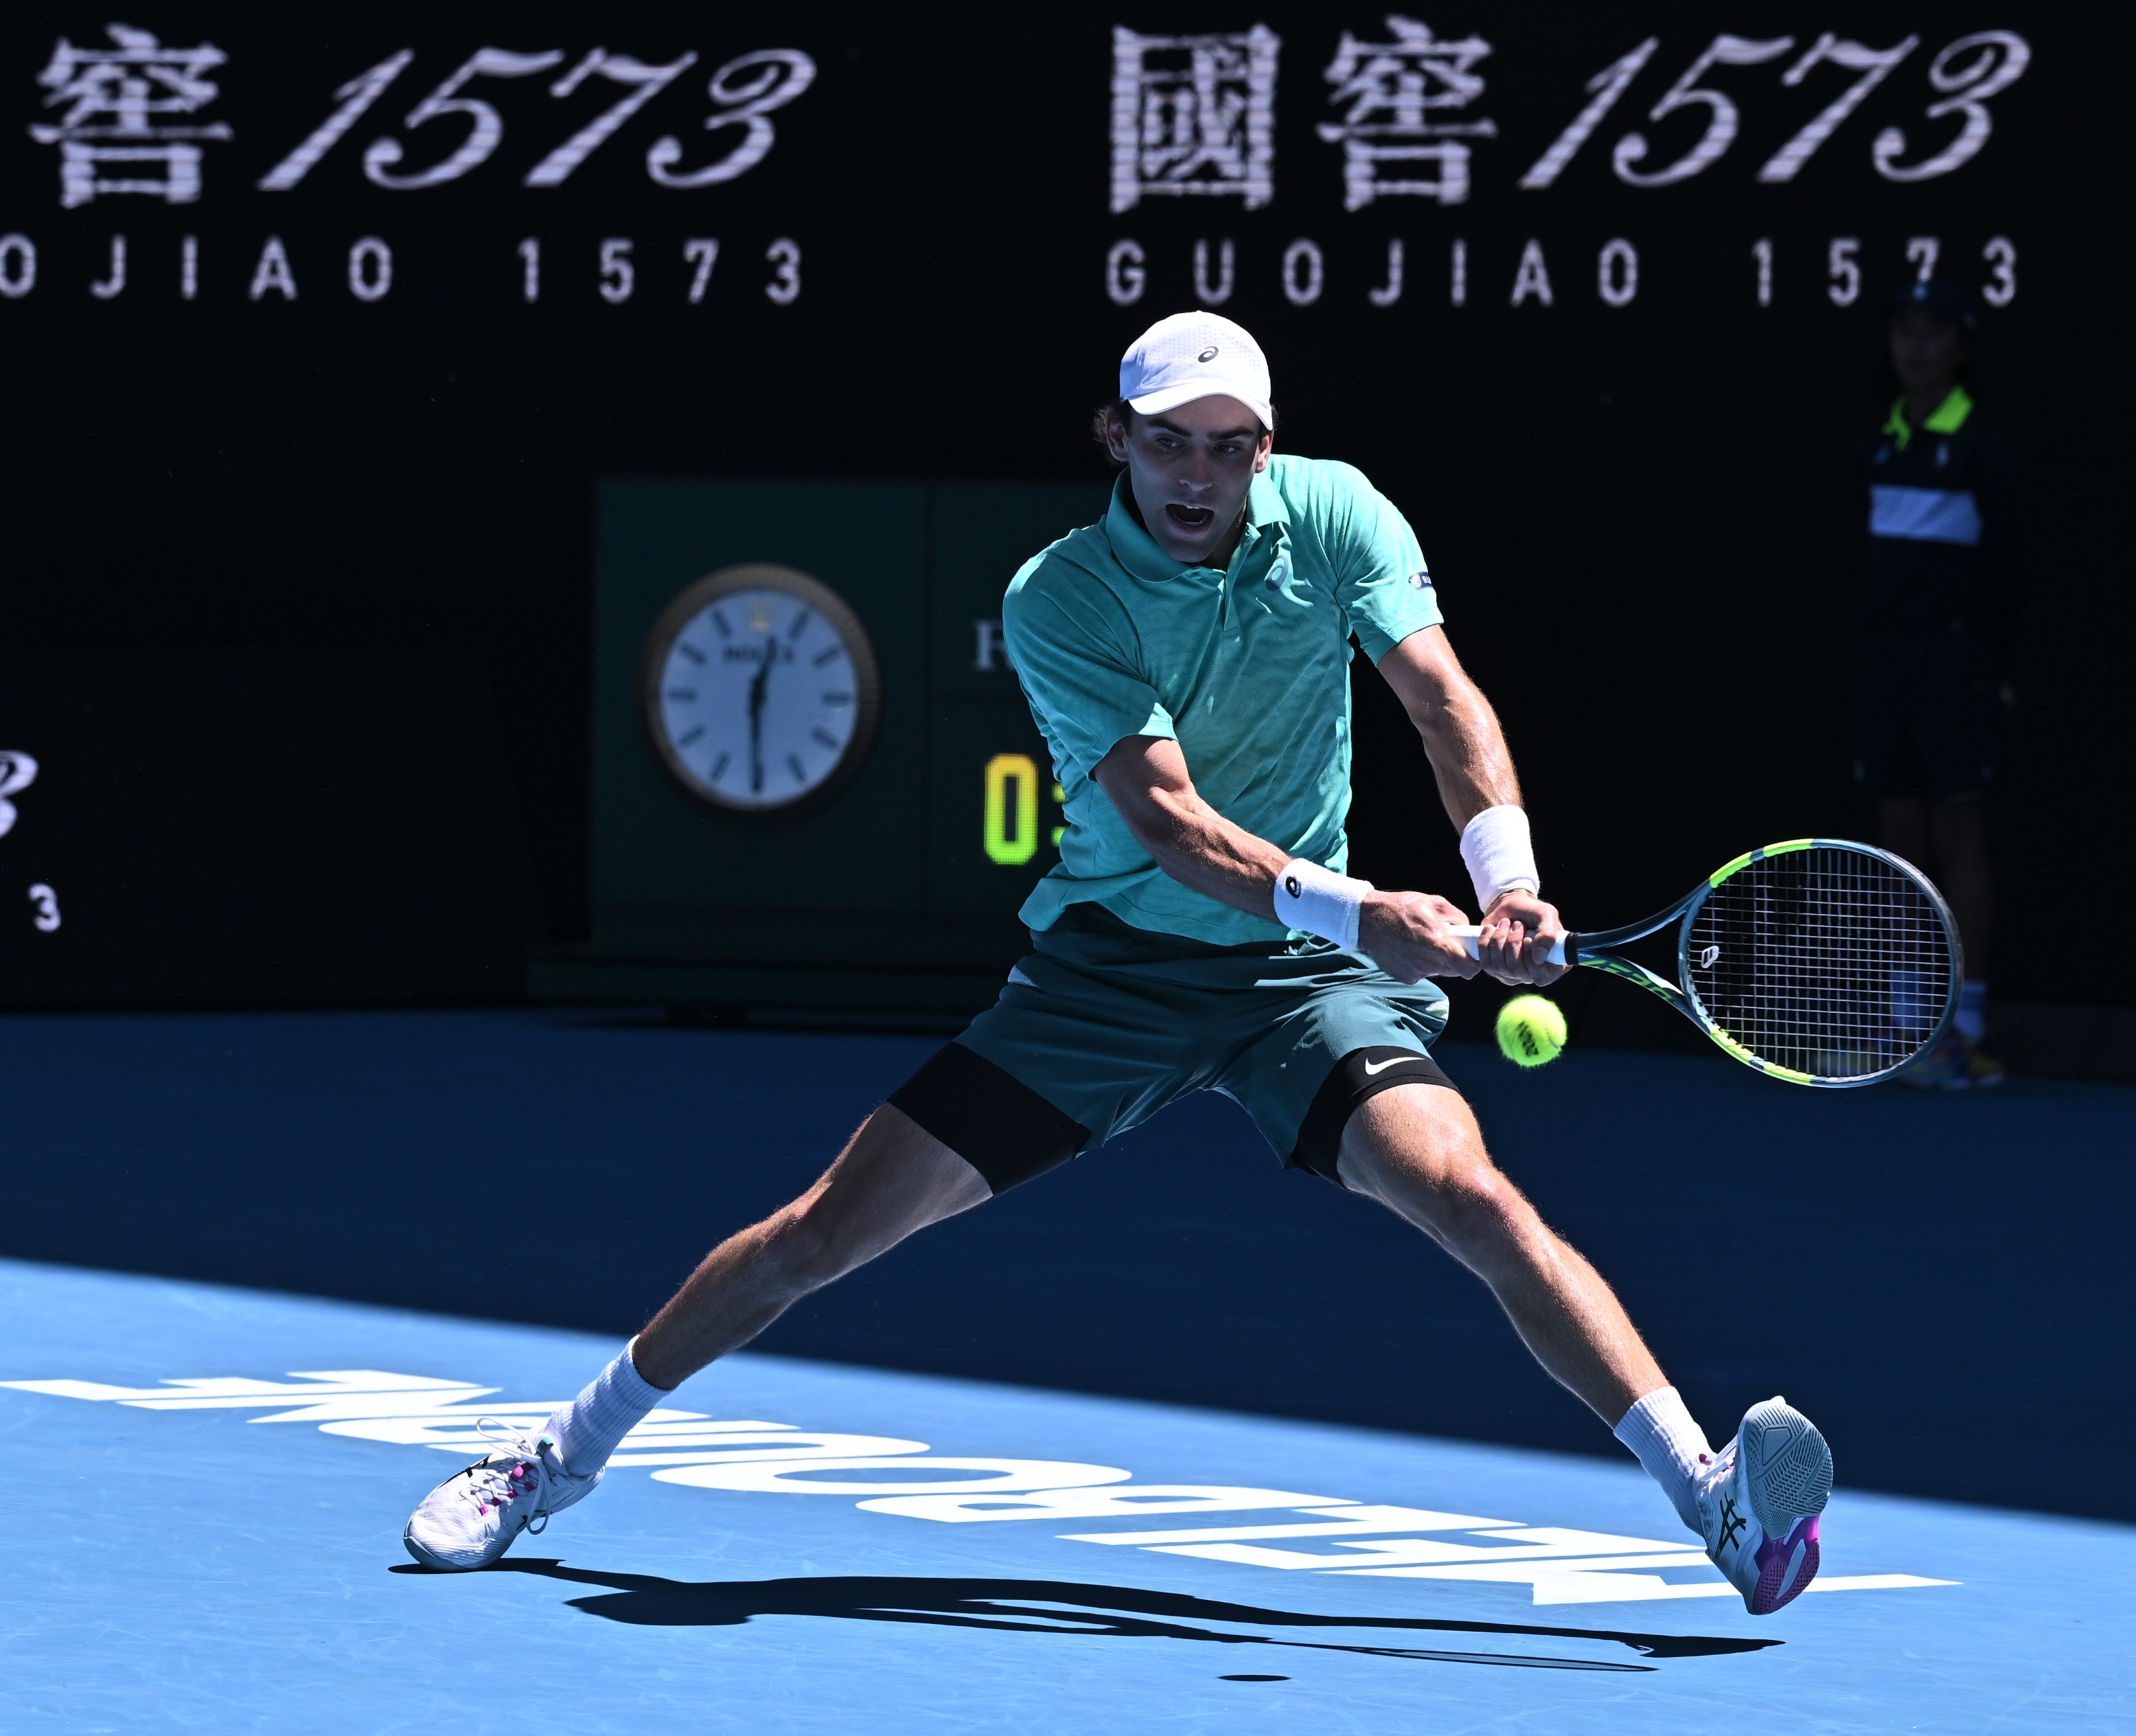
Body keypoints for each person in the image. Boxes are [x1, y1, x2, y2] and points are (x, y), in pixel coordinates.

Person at [404, 312, 1836, 1616]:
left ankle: (1711, 1498)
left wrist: (1504, 881)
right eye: (1167, 443)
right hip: (1115, 974)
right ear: (1116, 438)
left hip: (1300, 988)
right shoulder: (1062, 594)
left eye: (1228, 446)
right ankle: (556, 1455)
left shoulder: (1336, 512)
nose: (1196, 475)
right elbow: (1168, 825)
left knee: (1471, 1194)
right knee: (818, 1236)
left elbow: (1440, 701)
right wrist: (1365, 912)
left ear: (1266, 447)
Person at [1859, 279, 2012, 1088]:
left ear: (1959, 347)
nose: (1914, 347)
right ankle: (1907, 1027)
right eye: (1903, 331)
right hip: (1889, 662)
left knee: (1957, 836)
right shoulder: (1880, 438)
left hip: (1956, 663)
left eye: (1932, 332)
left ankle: (1968, 1030)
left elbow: (2013, 568)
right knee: (1897, 840)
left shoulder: (1982, 443)